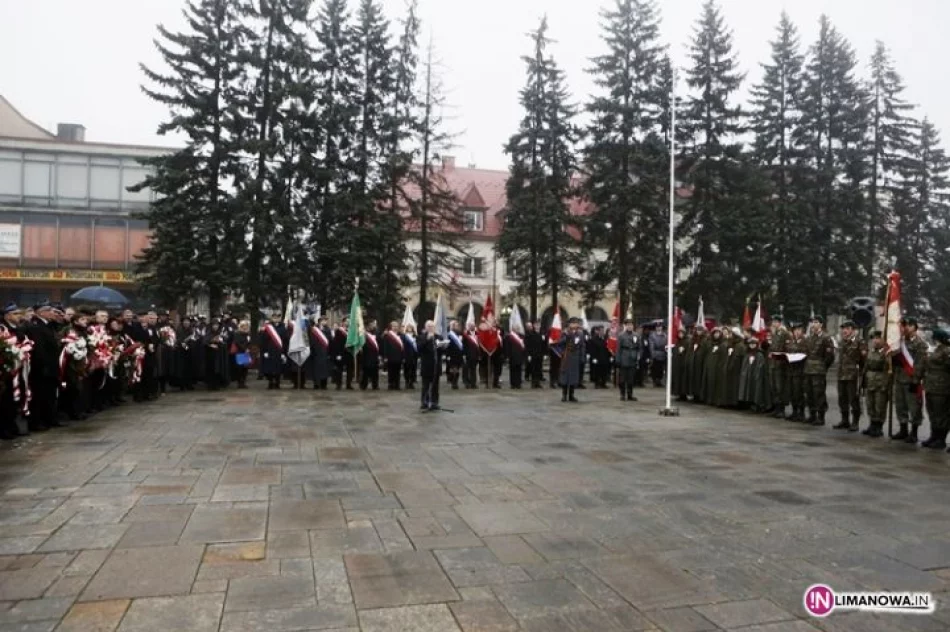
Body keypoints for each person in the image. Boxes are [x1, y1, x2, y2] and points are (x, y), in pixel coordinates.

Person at [890, 316, 928, 443]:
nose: (905, 328)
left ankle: (914, 432)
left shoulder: (920, 344)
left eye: (908, 325)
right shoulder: (899, 342)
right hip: (899, 378)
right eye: (904, 325)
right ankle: (903, 429)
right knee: (900, 406)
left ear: (914, 327)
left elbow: (920, 363)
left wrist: (916, 380)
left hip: (912, 380)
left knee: (914, 408)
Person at [27, 302, 61, 431]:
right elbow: (40, 349)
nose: (53, 313)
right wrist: (44, 366)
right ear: (41, 313)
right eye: (49, 310)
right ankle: (37, 422)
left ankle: (50, 418)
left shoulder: (49, 325)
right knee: (39, 396)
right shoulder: (36, 326)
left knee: (50, 395)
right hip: (42, 368)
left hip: (51, 366)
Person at [833, 320, 866, 432]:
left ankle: (855, 422)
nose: (844, 331)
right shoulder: (842, 342)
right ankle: (845, 420)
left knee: (854, 399)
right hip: (841, 374)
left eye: (846, 328)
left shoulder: (859, 342)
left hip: (853, 376)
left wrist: (861, 374)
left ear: (852, 330)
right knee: (842, 398)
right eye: (843, 329)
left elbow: (864, 360)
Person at [803, 316, 835, 426]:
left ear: (821, 324)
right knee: (809, 393)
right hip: (808, 369)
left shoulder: (826, 338)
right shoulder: (809, 338)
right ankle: (812, 415)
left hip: (819, 370)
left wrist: (823, 367)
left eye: (816, 322)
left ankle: (821, 416)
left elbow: (830, 356)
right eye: (812, 322)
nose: (813, 324)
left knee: (819, 394)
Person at [922, 328, 950, 449]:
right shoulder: (936, 350)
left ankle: (941, 439)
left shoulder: (947, 351)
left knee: (941, 414)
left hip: (941, 387)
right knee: (932, 412)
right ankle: (934, 436)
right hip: (931, 386)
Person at [0, 304, 24, 439]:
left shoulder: (19, 329)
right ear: (7, 316)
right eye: (15, 313)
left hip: (18, 367)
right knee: (6, 400)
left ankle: (12, 426)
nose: (18, 316)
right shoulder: (3, 329)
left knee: (15, 399)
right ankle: (5, 429)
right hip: (6, 370)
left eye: (19, 313)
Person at [862, 331, 888, 438]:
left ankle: (878, 427)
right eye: (874, 338)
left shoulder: (886, 353)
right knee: (870, 404)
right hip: (870, 380)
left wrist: (886, 384)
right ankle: (872, 424)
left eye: (878, 338)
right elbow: (866, 365)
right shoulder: (871, 351)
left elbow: (888, 371)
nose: (876, 341)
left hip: (880, 381)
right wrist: (863, 379)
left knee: (879, 405)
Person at [738, 336, 772, 413]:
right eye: (750, 344)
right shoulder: (747, 354)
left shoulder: (759, 355)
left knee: (757, 390)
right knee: (749, 389)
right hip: (748, 376)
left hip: (757, 376)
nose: (752, 345)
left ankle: (758, 405)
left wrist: (757, 374)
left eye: (754, 344)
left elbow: (761, 366)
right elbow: (744, 366)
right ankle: (751, 404)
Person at [419, 320, 447, 411]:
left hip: (436, 365)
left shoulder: (439, 337)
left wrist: (443, 346)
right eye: (429, 326)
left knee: (435, 385)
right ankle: (425, 402)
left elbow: (442, 351)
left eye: (432, 326)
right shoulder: (422, 337)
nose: (431, 328)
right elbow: (419, 348)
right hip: (426, 365)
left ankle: (434, 403)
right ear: (425, 327)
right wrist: (427, 339)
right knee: (425, 385)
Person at [557, 318, 586, 403]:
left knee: (573, 377)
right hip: (567, 357)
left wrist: (582, 357)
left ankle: (571, 395)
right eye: (572, 323)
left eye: (576, 323)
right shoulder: (565, 333)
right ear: (569, 324)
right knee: (565, 377)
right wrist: (566, 337)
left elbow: (582, 346)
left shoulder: (580, 334)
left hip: (575, 358)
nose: (574, 325)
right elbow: (559, 344)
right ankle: (564, 395)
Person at [768, 315, 791, 418]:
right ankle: (776, 408)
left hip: (780, 364)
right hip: (773, 363)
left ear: (779, 323)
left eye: (775, 322)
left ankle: (781, 409)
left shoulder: (784, 333)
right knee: (774, 387)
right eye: (773, 322)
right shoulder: (775, 333)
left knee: (780, 387)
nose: (774, 323)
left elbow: (787, 348)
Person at [785, 322, 808, 422]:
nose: (797, 332)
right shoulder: (791, 342)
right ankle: (794, 412)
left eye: (799, 330)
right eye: (795, 330)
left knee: (799, 392)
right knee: (792, 392)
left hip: (800, 370)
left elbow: (806, 354)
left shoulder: (805, 342)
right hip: (791, 370)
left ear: (802, 331)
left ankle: (801, 413)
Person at [260, 312, 287, 390]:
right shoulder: (268, 327)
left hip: (279, 351)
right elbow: (264, 340)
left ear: (280, 318)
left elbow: (285, 341)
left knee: (278, 368)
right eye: (274, 317)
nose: (276, 318)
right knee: (269, 368)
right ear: (272, 318)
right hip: (270, 350)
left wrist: (283, 352)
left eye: (278, 317)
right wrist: (265, 351)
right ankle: (270, 382)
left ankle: (277, 383)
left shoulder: (283, 328)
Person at [174, 316, 201, 391]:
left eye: (188, 321)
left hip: (190, 352)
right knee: (181, 368)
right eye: (185, 321)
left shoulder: (192, 330)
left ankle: (189, 384)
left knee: (190, 368)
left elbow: (196, 339)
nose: (186, 322)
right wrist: (181, 343)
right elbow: (177, 339)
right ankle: (182, 385)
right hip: (181, 352)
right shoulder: (179, 330)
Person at [616, 318, 639, 402]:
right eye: (628, 325)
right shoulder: (621, 335)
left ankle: (630, 395)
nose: (630, 326)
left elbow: (639, 348)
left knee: (631, 379)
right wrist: (618, 360)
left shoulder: (636, 335)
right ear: (625, 326)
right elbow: (618, 349)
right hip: (624, 357)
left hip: (633, 358)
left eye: (631, 325)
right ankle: (622, 394)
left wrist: (638, 356)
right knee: (622, 379)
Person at [203, 319, 230, 390]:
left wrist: (220, 343)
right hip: (210, 355)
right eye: (214, 325)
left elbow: (225, 343)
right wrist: (211, 344)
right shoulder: (208, 333)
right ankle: (210, 385)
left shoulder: (221, 333)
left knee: (218, 369)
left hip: (219, 355)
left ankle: (218, 384)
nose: (215, 327)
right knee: (211, 370)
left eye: (217, 325)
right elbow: (205, 342)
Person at [308, 315, 331, 390]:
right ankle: (316, 384)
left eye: (326, 320)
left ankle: (324, 384)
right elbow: (311, 341)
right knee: (316, 370)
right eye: (324, 320)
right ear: (320, 321)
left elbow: (330, 341)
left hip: (325, 352)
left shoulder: (328, 330)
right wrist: (312, 350)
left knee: (325, 370)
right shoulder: (314, 329)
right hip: (316, 353)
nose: (325, 321)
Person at [330, 317, 353, 390]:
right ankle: (338, 384)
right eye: (347, 321)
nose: (348, 323)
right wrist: (338, 354)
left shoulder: (351, 331)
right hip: (341, 352)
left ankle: (348, 384)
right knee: (339, 369)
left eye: (349, 321)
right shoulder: (339, 331)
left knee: (350, 369)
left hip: (349, 353)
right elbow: (336, 343)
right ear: (343, 322)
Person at [381, 321, 404, 390]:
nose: (395, 327)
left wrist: (403, 356)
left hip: (399, 356)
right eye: (394, 326)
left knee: (397, 371)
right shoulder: (388, 335)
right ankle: (390, 384)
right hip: (390, 356)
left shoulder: (401, 335)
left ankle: (397, 384)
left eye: (396, 326)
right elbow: (385, 347)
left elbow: (403, 347)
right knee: (391, 371)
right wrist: (385, 357)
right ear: (391, 327)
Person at [360, 320, 380, 391]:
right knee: (366, 371)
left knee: (375, 371)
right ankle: (363, 385)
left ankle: (375, 385)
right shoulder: (363, 334)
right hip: (366, 355)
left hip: (375, 355)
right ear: (367, 326)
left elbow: (379, 343)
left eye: (373, 324)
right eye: (371, 324)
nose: (372, 326)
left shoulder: (377, 333)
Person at [231, 320, 252, 389]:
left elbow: (249, 342)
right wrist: (244, 349)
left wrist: (248, 348)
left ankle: (243, 382)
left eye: (246, 326)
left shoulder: (248, 334)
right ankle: (240, 383)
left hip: (246, 353)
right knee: (240, 368)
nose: (245, 328)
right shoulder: (237, 333)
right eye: (244, 326)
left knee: (245, 368)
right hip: (240, 353)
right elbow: (237, 343)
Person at [504, 325, 525, 389]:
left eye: (518, 328)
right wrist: (507, 356)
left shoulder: (521, 336)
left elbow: (523, 347)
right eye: (516, 328)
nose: (518, 330)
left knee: (519, 370)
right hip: (512, 356)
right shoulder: (509, 337)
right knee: (513, 371)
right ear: (513, 329)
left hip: (519, 356)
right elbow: (507, 347)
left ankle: (518, 383)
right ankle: (513, 384)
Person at [524, 321, 544, 388]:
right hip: (533, 354)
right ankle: (533, 383)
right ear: (534, 326)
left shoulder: (542, 334)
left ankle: (537, 382)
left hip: (540, 354)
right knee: (533, 369)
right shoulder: (531, 334)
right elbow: (528, 345)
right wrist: (528, 355)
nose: (538, 326)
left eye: (539, 325)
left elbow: (544, 345)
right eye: (536, 325)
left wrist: (545, 354)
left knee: (539, 369)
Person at [445, 320, 464, 389]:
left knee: (457, 369)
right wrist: (447, 355)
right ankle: (453, 382)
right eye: (453, 325)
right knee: (453, 369)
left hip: (458, 354)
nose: (455, 326)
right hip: (451, 354)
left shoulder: (460, 333)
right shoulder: (448, 334)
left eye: (456, 325)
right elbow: (447, 345)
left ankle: (455, 382)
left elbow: (462, 344)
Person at [462, 323, 479, 389]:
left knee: (473, 370)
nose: (472, 327)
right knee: (466, 370)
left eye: (473, 326)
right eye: (471, 326)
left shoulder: (477, 334)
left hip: (475, 355)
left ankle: (473, 383)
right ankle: (466, 383)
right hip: (468, 355)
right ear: (468, 327)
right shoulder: (465, 335)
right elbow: (463, 345)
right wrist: (463, 354)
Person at [402, 324, 418, 389]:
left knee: (413, 369)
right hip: (407, 355)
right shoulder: (404, 336)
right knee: (406, 369)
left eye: (411, 327)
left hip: (414, 355)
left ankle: (411, 382)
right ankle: (407, 382)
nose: (409, 328)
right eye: (408, 327)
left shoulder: (415, 336)